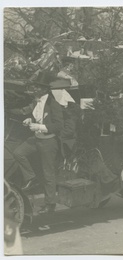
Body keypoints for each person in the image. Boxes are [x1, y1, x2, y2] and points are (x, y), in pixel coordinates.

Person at [12, 71, 64, 214]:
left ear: (45, 89)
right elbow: (36, 116)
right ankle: (31, 177)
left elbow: (59, 126)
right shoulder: (36, 101)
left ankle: (50, 203)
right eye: (35, 87)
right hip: (36, 139)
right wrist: (30, 120)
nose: (35, 89)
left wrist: (40, 127)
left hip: (48, 141)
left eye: (38, 87)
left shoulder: (54, 104)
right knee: (18, 153)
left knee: (48, 174)